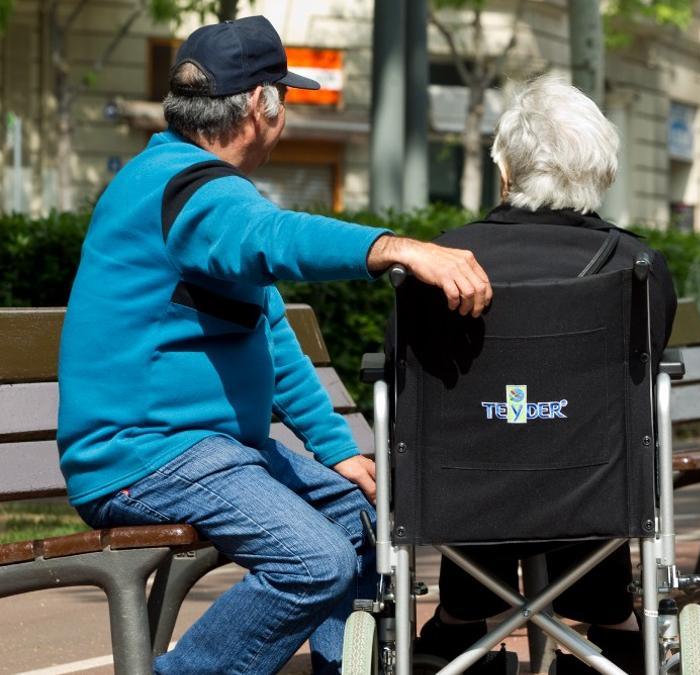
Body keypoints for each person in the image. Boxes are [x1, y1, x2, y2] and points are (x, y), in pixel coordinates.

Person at [56, 16, 492, 675]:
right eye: (283, 98)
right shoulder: (193, 191)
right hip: (149, 455)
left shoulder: (187, 187)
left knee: (361, 517)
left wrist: (338, 451)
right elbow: (277, 238)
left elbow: (272, 335)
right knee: (314, 560)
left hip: (211, 452)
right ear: (263, 106)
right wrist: (395, 247)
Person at [390, 74, 676, 674]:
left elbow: (407, 375)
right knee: (583, 430)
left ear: (505, 168)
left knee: (483, 436)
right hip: (593, 487)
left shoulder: (441, 259)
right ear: (601, 169)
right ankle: (614, 624)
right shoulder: (638, 265)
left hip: (464, 491)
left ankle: (460, 624)